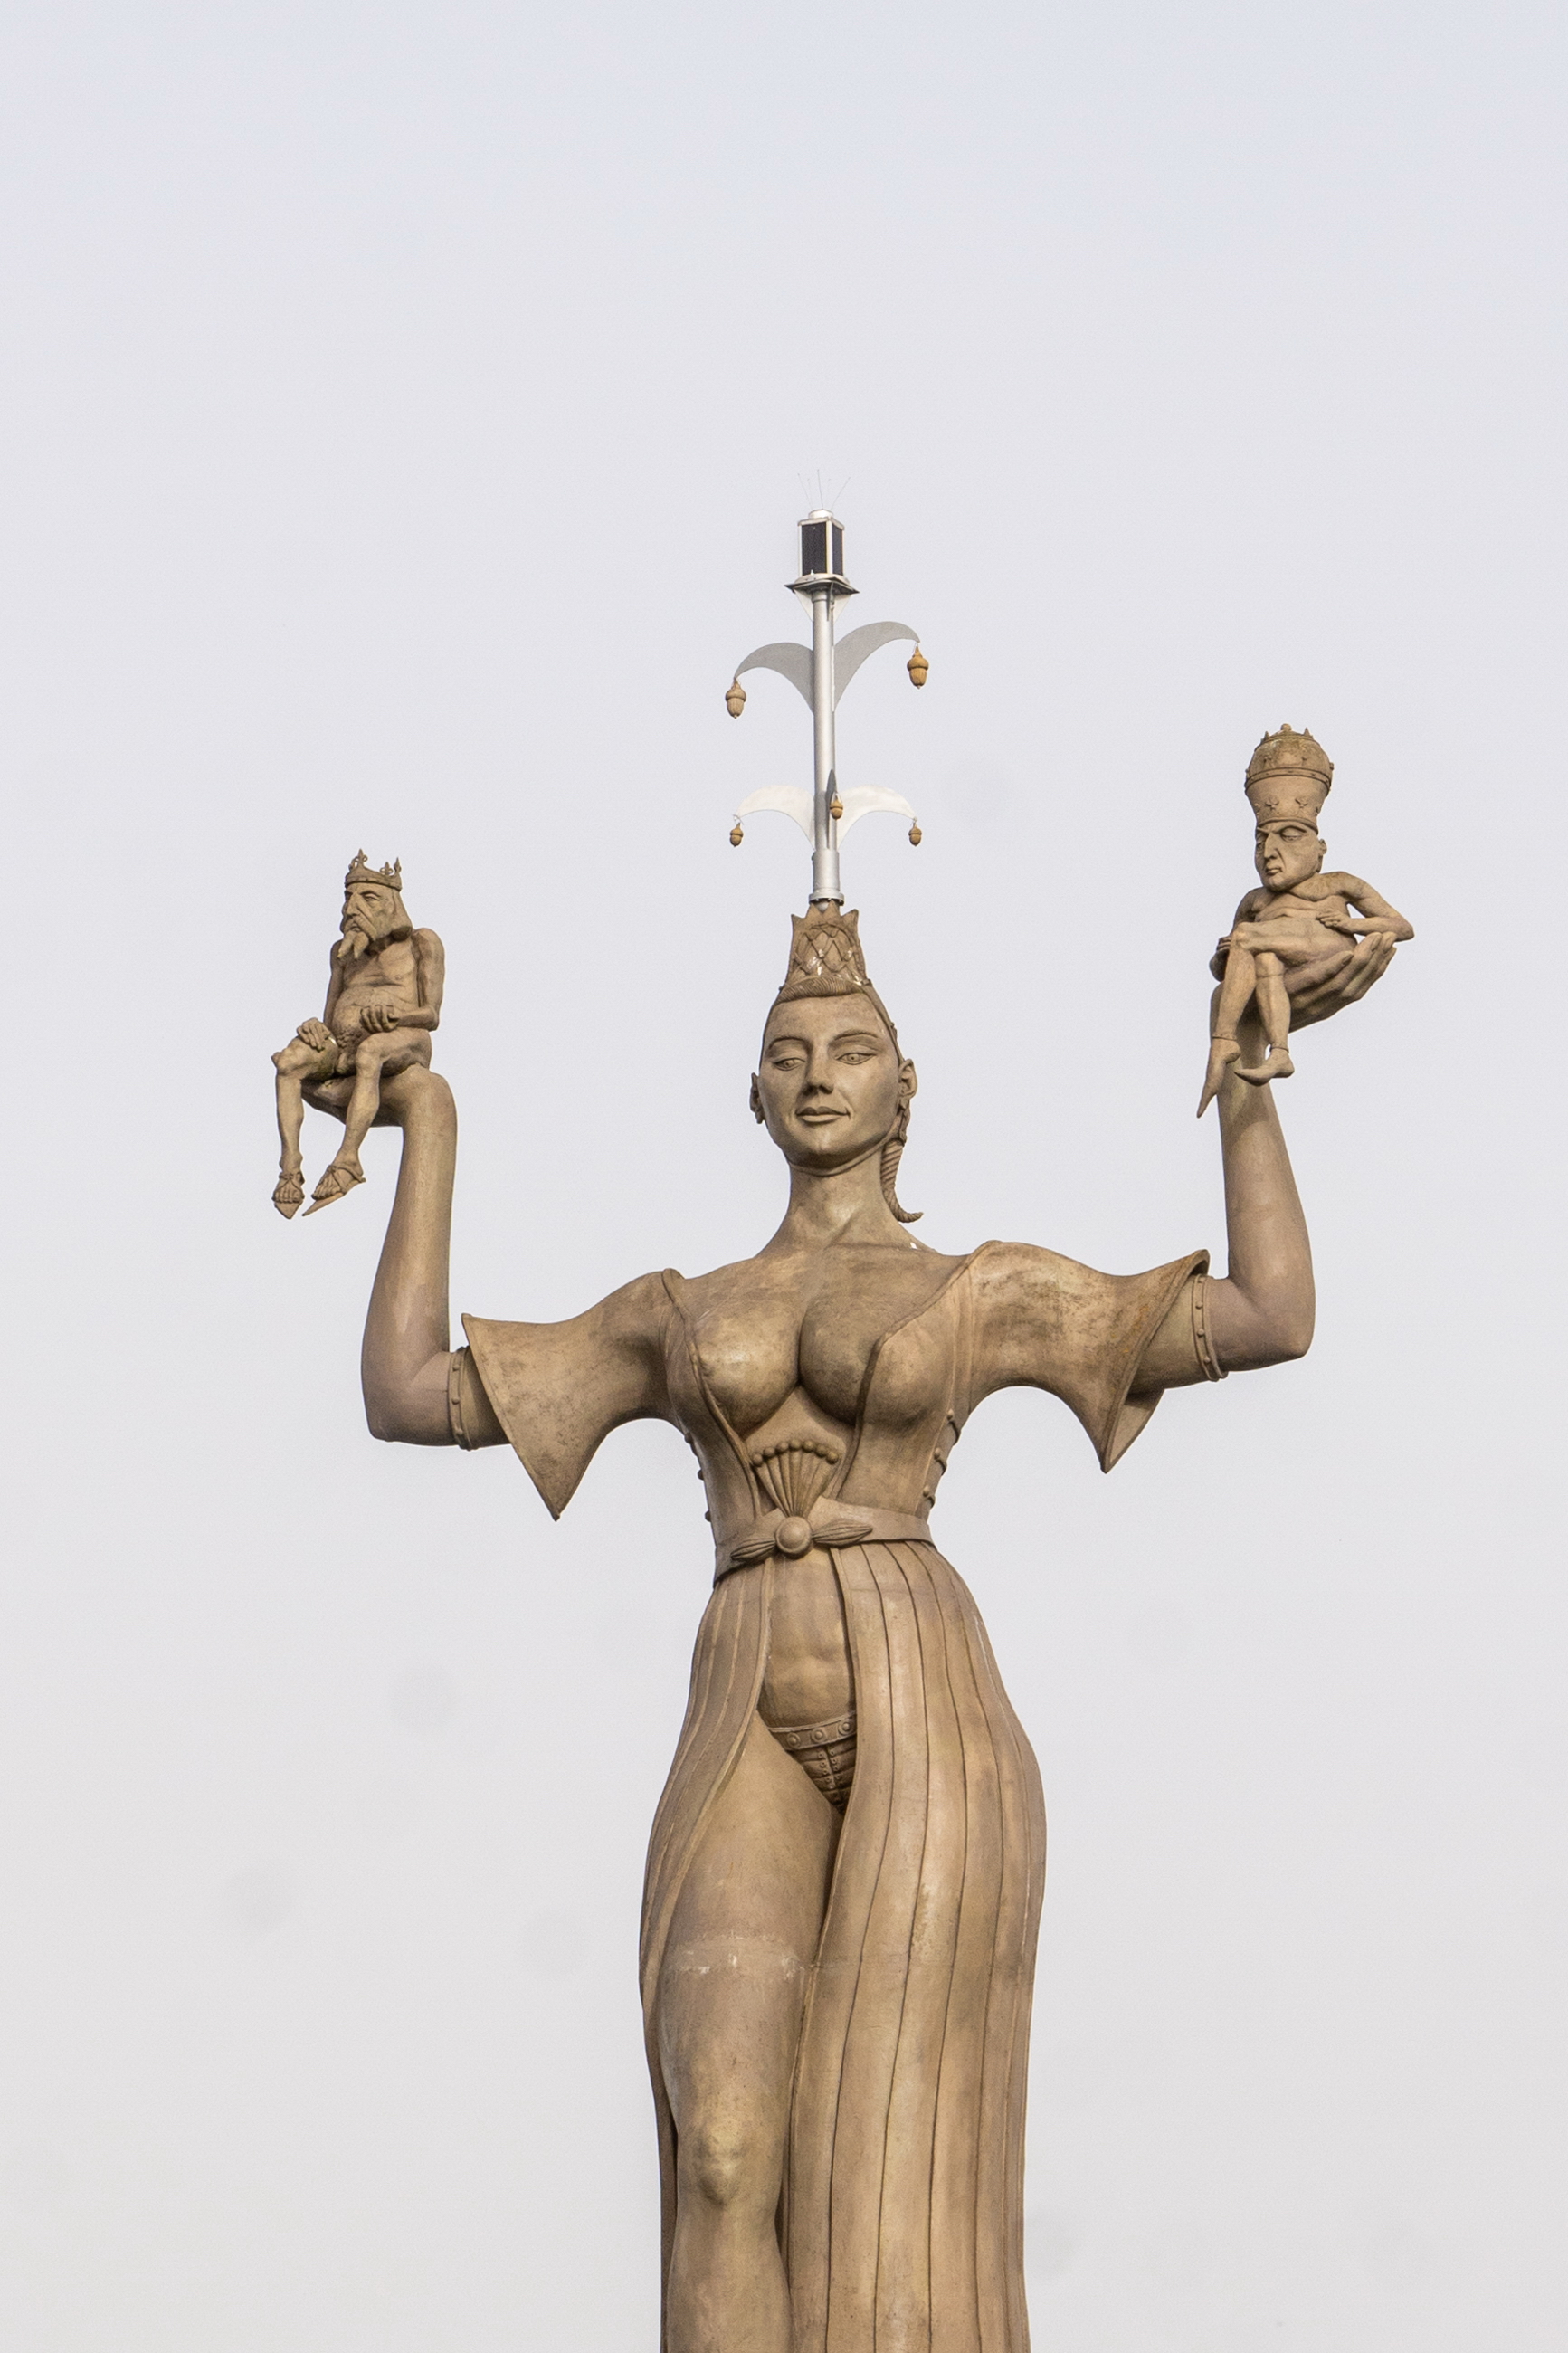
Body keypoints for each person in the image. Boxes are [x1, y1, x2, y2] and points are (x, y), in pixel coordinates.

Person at [344, 891, 1395, 2353]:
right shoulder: (677, 1310)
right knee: (723, 2149)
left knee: (895, 2167)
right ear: (751, 1092)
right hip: (744, 1692)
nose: (818, 1075)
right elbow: (409, 1394)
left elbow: (1270, 1314)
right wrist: (426, 1122)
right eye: (787, 1053)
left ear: (907, 1088)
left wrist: (1248, 1081)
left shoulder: (983, 1288)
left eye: (850, 1050)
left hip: (917, 1685)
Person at [1199, 726, 1414, 1113]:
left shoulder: (1337, 883)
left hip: (1327, 945)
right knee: (1263, 957)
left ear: (1320, 849)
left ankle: (1223, 1041)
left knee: (1249, 937)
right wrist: (1221, 956)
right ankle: (1280, 1052)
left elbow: (1401, 927)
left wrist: (1353, 925)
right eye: (1261, 840)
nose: (1270, 851)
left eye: (1290, 835)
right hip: (1283, 958)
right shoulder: (1254, 901)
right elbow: (1227, 972)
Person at [271, 853, 444, 1217]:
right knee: (289, 1061)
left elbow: (430, 1015)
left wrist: (397, 1016)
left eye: (368, 898)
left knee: (371, 1052)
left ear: (392, 905)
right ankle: (290, 1168)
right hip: (343, 1045)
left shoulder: (421, 944)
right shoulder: (342, 953)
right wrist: (316, 1027)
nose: (353, 908)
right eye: (349, 898)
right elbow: (329, 1016)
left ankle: (348, 1160)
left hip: (403, 1037)